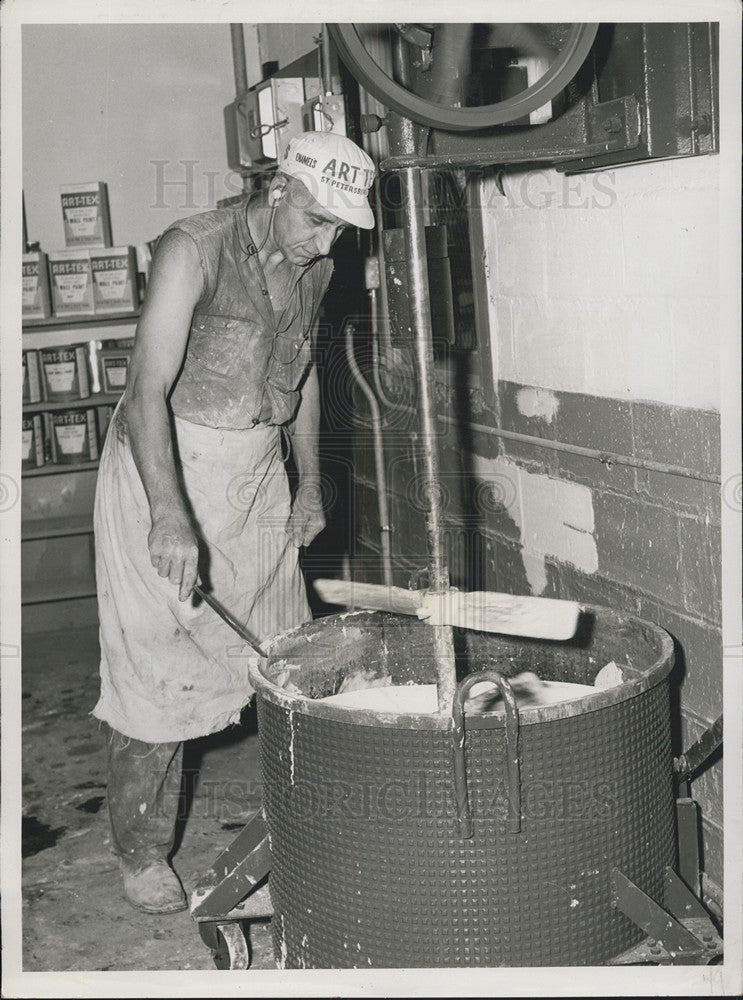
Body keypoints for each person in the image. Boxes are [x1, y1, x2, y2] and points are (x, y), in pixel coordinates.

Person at [92, 131, 376, 913]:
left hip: (253, 471)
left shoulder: (316, 259)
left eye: (339, 230)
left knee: (282, 647)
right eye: (317, 220)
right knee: (155, 666)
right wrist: (168, 515)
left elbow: (306, 370)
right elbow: (146, 390)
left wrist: (311, 481)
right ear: (279, 189)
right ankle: (142, 851)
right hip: (164, 467)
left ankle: (306, 819)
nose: (328, 243)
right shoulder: (194, 248)